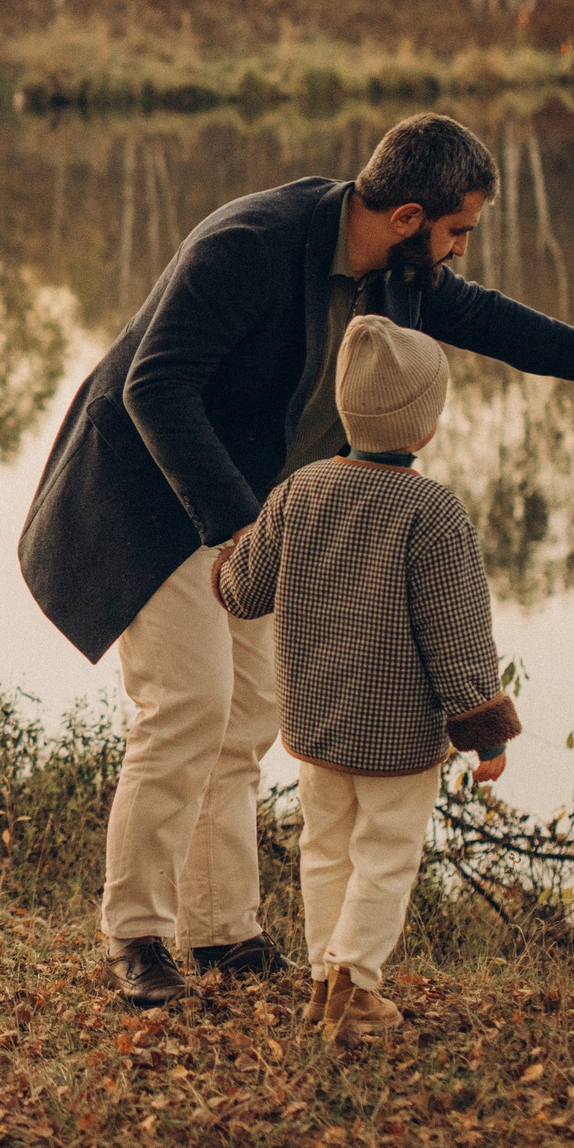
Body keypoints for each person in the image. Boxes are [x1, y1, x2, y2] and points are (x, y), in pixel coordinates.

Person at [16, 112, 574, 1009]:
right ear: (410, 215)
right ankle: (136, 937)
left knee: (251, 713)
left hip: (256, 510)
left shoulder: (400, 270)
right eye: (458, 232)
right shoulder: (250, 245)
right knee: (186, 705)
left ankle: (224, 931)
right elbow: (156, 384)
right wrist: (238, 530)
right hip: (156, 499)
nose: (460, 253)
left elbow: (482, 317)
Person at [211, 316, 518, 1038]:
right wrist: (484, 728)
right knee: (385, 853)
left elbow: (245, 591)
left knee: (325, 847)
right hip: (398, 737)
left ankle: (325, 979)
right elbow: (459, 633)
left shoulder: (301, 490)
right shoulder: (432, 512)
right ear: (427, 425)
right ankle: (356, 984)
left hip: (317, 724)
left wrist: (229, 558)